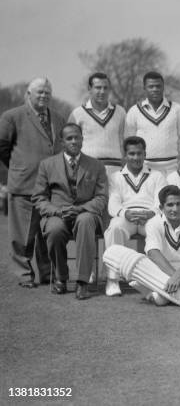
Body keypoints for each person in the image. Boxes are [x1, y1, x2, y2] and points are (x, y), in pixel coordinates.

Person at [0, 77, 65, 288]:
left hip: (50, 187)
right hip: (23, 184)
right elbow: (3, 147)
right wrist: (20, 167)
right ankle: (24, 275)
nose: (44, 96)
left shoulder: (58, 118)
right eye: (39, 92)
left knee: (47, 231)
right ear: (28, 94)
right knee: (22, 235)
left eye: (47, 92)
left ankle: (47, 273)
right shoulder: (12, 116)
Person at [31, 123, 108, 300]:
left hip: (86, 213)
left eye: (77, 137)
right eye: (69, 138)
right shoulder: (47, 165)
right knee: (54, 229)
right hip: (58, 214)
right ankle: (61, 277)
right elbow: (39, 197)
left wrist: (80, 209)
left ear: (82, 139)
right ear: (61, 142)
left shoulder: (96, 165)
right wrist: (57, 211)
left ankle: (82, 282)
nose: (74, 141)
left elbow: (102, 198)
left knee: (85, 221)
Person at [103, 136, 166, 296]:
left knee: (159, 228)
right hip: (126, 216)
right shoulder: (115, 176)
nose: (136, 158)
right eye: (131, 154)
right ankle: (113, 280)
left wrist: (151, 212)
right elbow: (114, 203)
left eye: (139, 153)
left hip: (150, 216)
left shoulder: (157, 175)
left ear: (145, 154)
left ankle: (157, 279)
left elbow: (161, 200)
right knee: (115, 228)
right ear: (125, 156)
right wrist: (126, 213)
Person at [125, 71, 180, 176]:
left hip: (171, 168)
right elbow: (129, 139)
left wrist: (179, 160)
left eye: (158, 86)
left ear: (163, 87)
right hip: (144, 167)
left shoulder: (177, 110)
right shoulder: (134, 111)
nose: (155, 89)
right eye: (151, 86)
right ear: (144, 88)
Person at [68, 72, 126, 177]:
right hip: (87, 170)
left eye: (105, 88)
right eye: (98, 88)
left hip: (116, 170)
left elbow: (124, 141)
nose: (102, 92)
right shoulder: (77, 114)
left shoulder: (120, 112)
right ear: (89, 89)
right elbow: (69, 145)